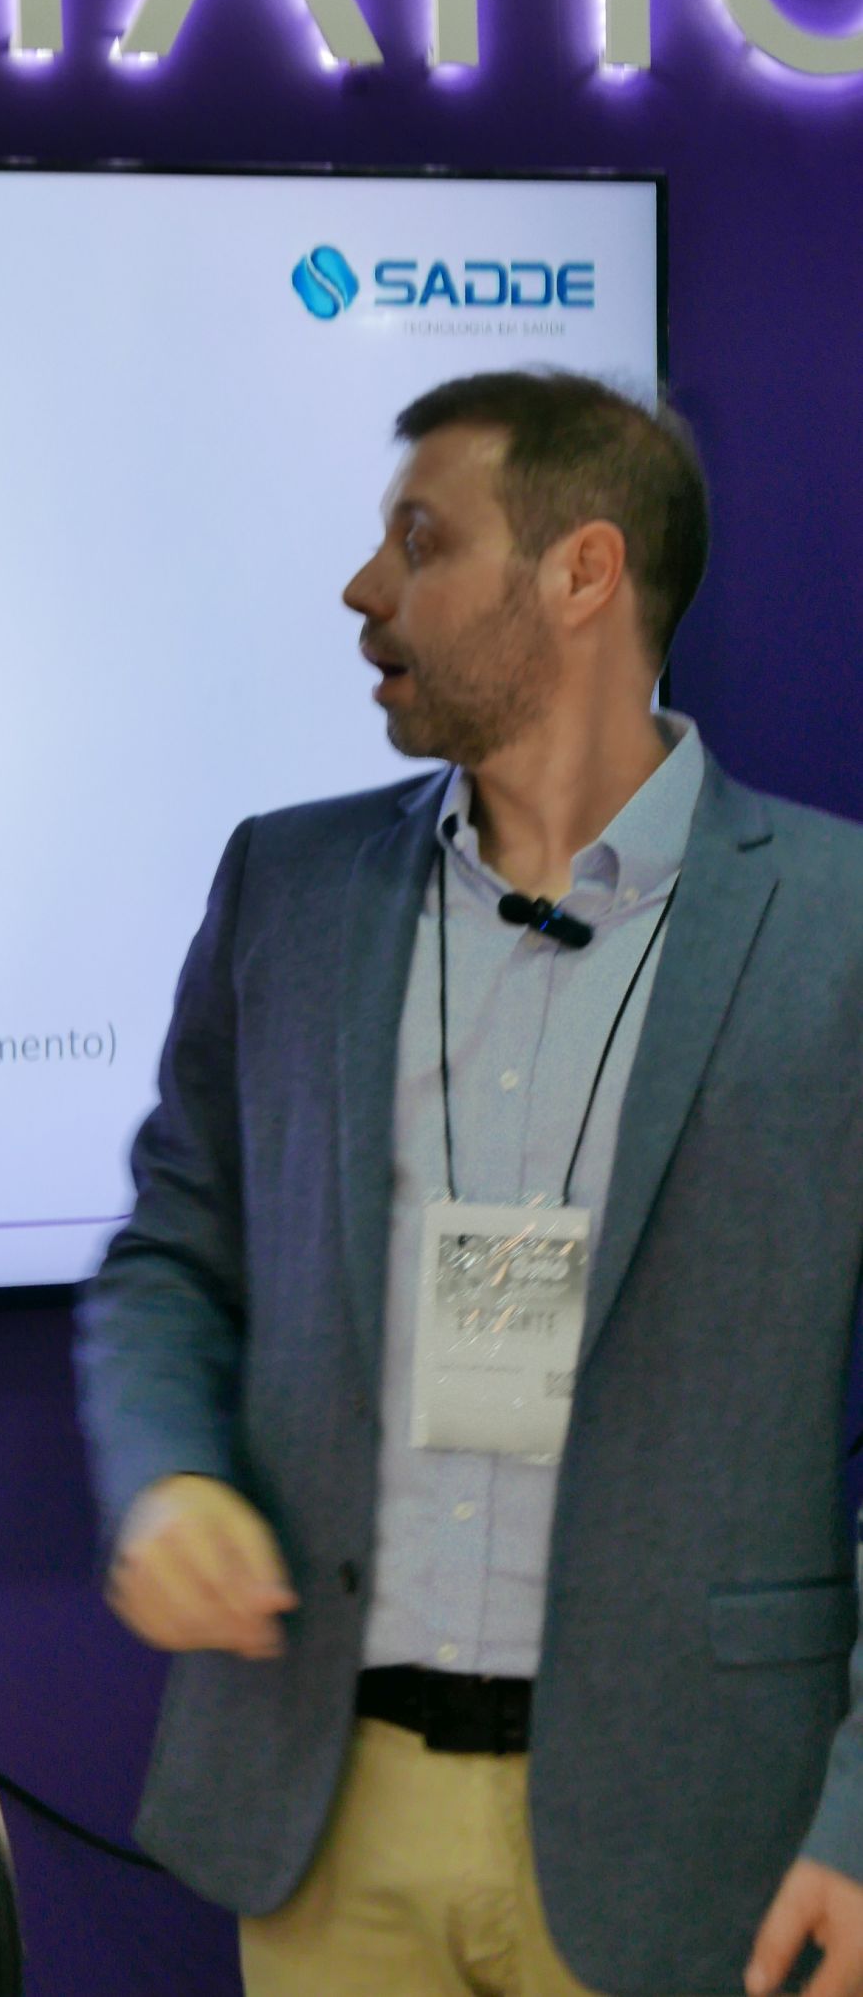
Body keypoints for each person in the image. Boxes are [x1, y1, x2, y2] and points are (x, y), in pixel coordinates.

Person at [76, 370, 863, 1997]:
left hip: (703, 1829)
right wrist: (164, 1474)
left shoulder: (838, 926)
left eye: (420, 542)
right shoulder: (287, 887)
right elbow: (170, 1255)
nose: (363, 589)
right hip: (325, 1813)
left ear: (582, 573)